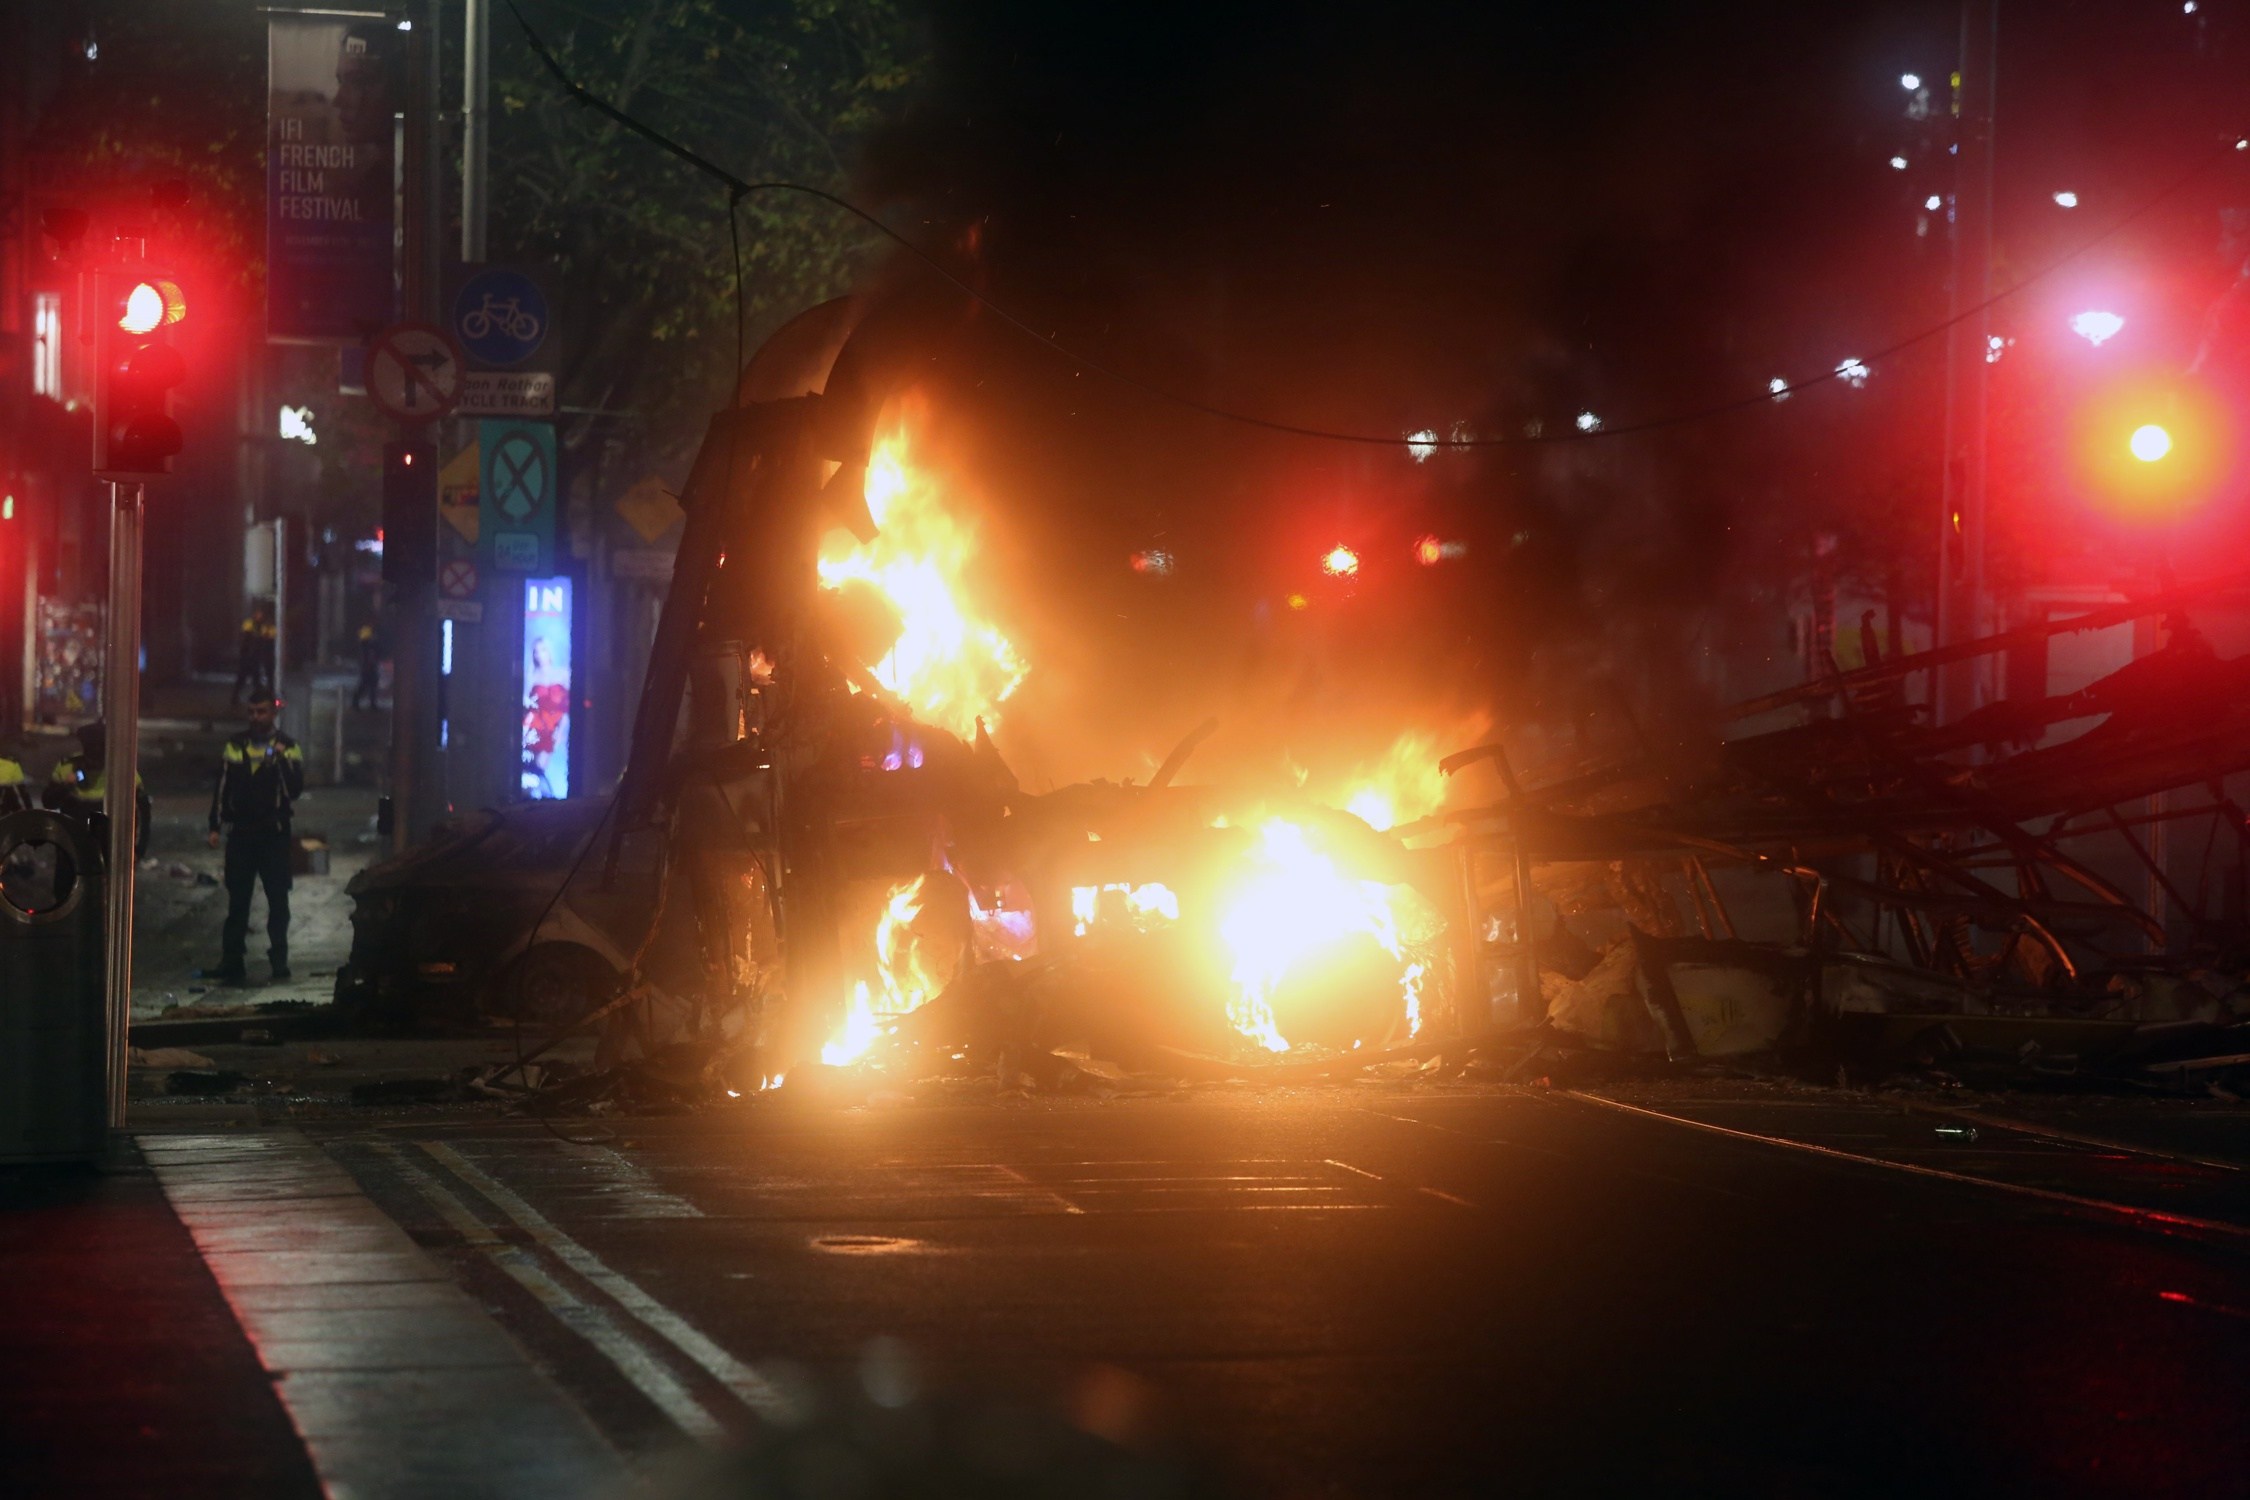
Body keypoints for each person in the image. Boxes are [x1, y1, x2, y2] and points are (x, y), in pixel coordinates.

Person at [207, 693, 305, 984]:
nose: (255, 718)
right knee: (238, 901)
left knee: (278, 900)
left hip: (273, 835)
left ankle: (279, 959)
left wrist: (277, 761)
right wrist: (215, 825)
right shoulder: (236, 745)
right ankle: (232, 961)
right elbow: (222, 787)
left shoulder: (288, 747)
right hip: (241, 835)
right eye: (251, 712)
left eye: (261, 712)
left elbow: (296, 789)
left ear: (272, 714)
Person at [43, 721, 152, 860]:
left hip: (110, 848)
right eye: (91, 753)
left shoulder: (124, 772)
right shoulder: (68, 767)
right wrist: (66, 786)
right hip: (72, 850)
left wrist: (137, 851)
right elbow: (48, 802)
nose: (95, 764)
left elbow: (143, 814)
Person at [233, 601, 277, 705]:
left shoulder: (267, 626)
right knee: (242, 678)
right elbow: (246, 637)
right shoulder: (249, 623)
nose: (258, 615)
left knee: (258, 680)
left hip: (258, 658)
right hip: (247, 657)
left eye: (260, 613)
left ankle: (264, 699)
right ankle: (235, 698)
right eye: (257, 613)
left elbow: (270, 639)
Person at [352, 621, 384, 710]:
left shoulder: (368, 641)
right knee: (365, 685)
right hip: (368, 666)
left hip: (370, 666)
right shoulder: (367, 642)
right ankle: (357, 702)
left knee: (371, 685)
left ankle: (371, 703)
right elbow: (368, 653)